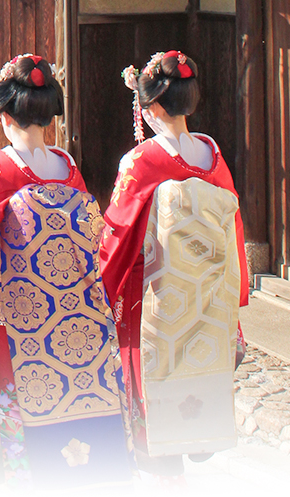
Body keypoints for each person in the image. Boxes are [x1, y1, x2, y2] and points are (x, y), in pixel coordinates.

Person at [0, 54, 132, 492]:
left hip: (15, 320)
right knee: (77, 408)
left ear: (1, 116)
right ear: (48, 114)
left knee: (8, 420)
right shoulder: (67, 168)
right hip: (77, 322)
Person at [99, 50, 249, 481]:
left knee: (152, 416)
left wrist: (97, 291)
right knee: (193, 400)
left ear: (153, 108)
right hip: (207, 300)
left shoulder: (143, 161)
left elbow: (117, 234)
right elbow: (232, 228)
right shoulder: (211, 154)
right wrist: (234, 300)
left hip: (156, 304)